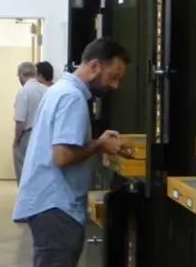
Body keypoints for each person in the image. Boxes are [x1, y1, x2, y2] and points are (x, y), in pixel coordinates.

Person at [12, 37, 130, 267]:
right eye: (113, 76)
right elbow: (62, 156)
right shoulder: (72, 98)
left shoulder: (60, 90)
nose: (115, 85)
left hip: (48, 204)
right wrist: (100, 144)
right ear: (95, 66)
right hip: (57, 208)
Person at [13, 61, 48, 186]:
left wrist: (16, 140)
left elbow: (20, 121)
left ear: (22, 75)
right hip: (45, 134)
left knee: (23, 170)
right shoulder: (47, 90)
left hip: (27, 135)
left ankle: (25, 200)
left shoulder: (24, 92)